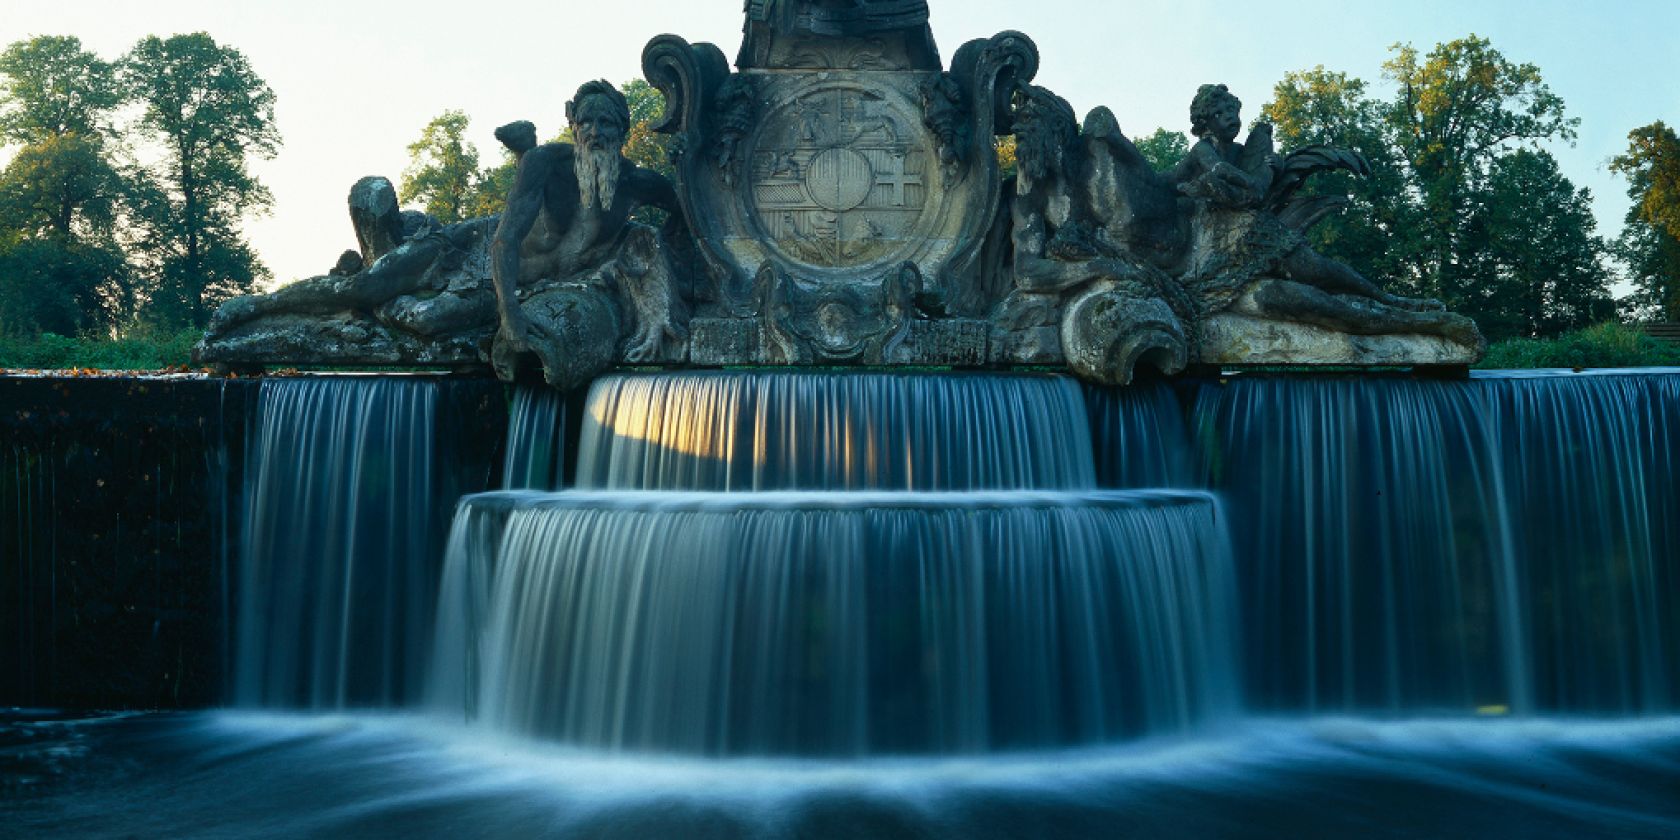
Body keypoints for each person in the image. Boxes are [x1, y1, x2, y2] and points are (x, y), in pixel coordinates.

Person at [490, 80, 690, 381]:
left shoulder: (636, 183)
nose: (595, 132)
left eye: (606, 123)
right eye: (586, 122)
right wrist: (508, 311)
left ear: (622, 131)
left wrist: (687, 162)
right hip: (500, 270)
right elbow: (506, 239)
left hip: (572, 285)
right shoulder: (546, 163)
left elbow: (687, 215)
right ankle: (522, 145)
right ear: (574, 127)